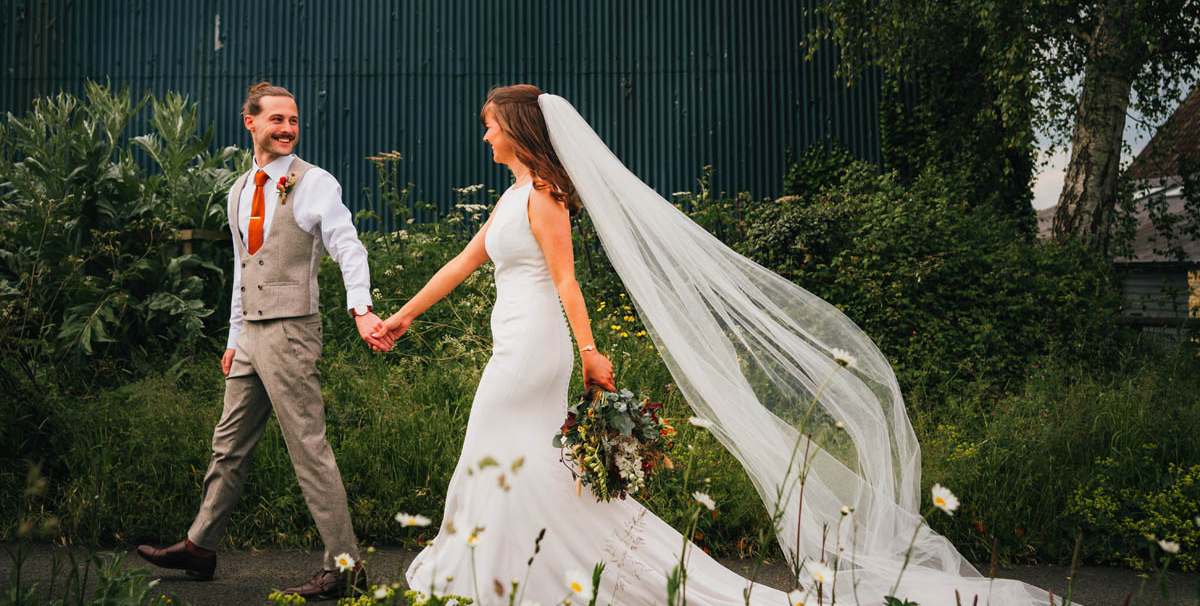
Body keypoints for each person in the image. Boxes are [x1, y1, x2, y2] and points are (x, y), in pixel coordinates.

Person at [375, 85, 1055, 606]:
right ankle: (520, 564)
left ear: (516, 129)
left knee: (498, 448)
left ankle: (509, 567)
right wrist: (402, 316)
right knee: (518, 460)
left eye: (491, 122)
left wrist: (590, 352)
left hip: (536, 349)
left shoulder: (545, 198)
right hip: (513, 342)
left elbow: (567, 282)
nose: (484, 131)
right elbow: (461, 264)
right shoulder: (512, 196)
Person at [137, 82, 387, 601]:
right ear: (250, 122)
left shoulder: (315, 183)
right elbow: (242, 269)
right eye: (277, 119)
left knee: (309, 450)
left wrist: (360, 308)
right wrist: (234, 335)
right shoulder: (239, 188)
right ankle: (200, 547)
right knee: (227, 445)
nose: (288, 128)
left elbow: (348, 246)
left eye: (293, 120)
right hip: (250, 335)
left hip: (293, 331)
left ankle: (346, 567)